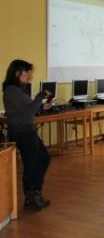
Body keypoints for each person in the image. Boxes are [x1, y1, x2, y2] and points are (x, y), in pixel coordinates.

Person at [3, 59, 53, 210]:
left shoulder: (18, 90)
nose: (30, 75)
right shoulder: (12, 90)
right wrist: (40, 96)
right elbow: (28, 111)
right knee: (31, 164)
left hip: (27, 130)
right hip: (22, 132)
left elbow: (29, 109)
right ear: (18, 72)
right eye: (27, 72)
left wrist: (43, 106)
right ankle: (31, 198)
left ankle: (35, 193)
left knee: (43, 158)